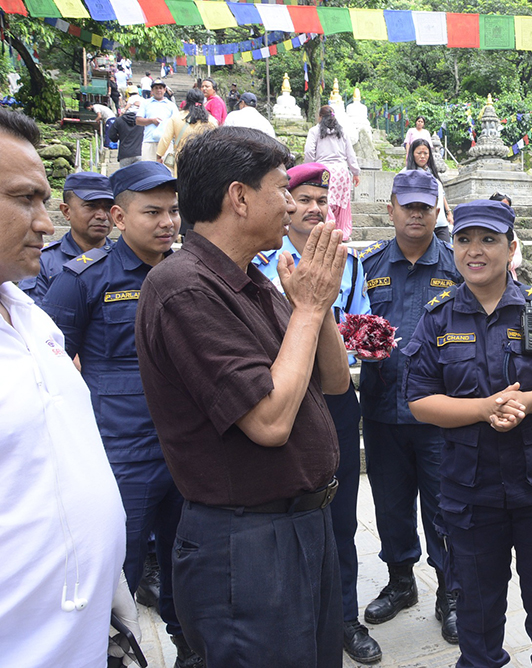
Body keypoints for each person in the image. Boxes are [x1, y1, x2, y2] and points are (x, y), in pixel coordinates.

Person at [134, 126, 351, 667]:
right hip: (248, 541)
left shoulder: (252, 282)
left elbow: (334, 381)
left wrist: (317, 306)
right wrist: (307, 309)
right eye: (281, 190)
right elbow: (270, 423)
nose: (291, 206)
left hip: (303, 525)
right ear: (239, 197)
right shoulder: (184, 287)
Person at [404, 200, 532, 667]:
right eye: (464, 240)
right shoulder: (437, 318)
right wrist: (483, 408)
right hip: (471, 495)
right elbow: (419, 400)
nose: (475, 251)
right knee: (476, 614)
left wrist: (525, 402)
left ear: (511, 248)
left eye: (489, 240)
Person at [40, 161, 199, 668]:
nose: (167, 222)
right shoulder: (83, 278)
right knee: (117, 569)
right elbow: (47, 366)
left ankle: (190, 650)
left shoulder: (191, 272)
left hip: (188, 449)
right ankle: (110, 655)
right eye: (152, 212)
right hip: (121, 456)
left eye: (173, 211)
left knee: (190, 563)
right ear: (119, 217)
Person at [0, 106, 133, 668]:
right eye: (23, 199)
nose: (44, 223)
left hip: (82, 634)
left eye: (43, 200)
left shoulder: (31, 318)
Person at [253, 162, 381, 664]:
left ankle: (344, 617)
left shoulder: (349, 262)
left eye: (321, 201)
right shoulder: (260, 263)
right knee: (283, 514)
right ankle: (292, 618)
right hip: (279, 394)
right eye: (303, 199)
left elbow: (360, 321)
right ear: (286, 206)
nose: (313, 209)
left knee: (341, 515)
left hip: (334, 393)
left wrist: (364, 341)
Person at [357, 170, 463, 643]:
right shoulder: (368, 265)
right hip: (383, 407)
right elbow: (351, 322)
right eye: (408, 205)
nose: (416, 213)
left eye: (425, 206)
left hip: (441, 411)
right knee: (390, 503)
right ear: (391, 209)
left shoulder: (458, 265)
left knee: (445, 505)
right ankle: (400, 581)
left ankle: (451, 592)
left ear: (437, 211)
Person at [19, 171, 114, 304]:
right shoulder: (43, 262)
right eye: (91, 206)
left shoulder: (125, 259)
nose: (102, 216)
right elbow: (31, 313)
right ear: (66, 211)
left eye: (109, 207)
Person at [305, 105, 361, 240]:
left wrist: (309, 168)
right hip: (342, 171)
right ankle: (342, 233)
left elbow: (309, 152)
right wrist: (355, 172)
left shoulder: (315, 131)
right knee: (342, 204)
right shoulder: (342, 132)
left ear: (320, 117)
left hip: (324, 171)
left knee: (325, 201)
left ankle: (328, 230)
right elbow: (350, 154)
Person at [156, 88, 218, 177]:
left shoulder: (177, 117)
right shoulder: (211, 120)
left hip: (181, 157)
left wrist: (159, 156)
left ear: (187, 101)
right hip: (203, 159)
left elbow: (165, 138)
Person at [405, 138, 452, 242]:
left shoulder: (432, 172)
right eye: (419, 153)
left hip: (441, 223)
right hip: (422, 223)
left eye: (425, 153)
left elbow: (441, 194)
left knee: (447, 250)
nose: (422, 156)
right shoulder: (406, 174)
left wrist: (448, 212)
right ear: (412, 154)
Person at [135, 79, 177, 162]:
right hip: (149, 141)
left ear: (164, 90)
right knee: (148, 167)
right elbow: (138, 121)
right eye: (156, 88)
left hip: (166, 142)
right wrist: (151, 121)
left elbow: (176, 122)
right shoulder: (145, 103)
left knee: (166, 167)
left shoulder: (171, 105)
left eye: (161, 88)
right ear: (152, 91)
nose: (158, 90)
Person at [489, 192, 522, 281]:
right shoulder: (481, 230)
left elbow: (517, 257)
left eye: (507, 208)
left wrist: (509, 264)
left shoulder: (511, 232)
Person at [108, 95, 144, 167]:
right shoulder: (143, 121)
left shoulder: (119, 120)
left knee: (125, 174)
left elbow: (112, 136)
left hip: (124, 154)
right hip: (140, 153)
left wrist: (118, 137)